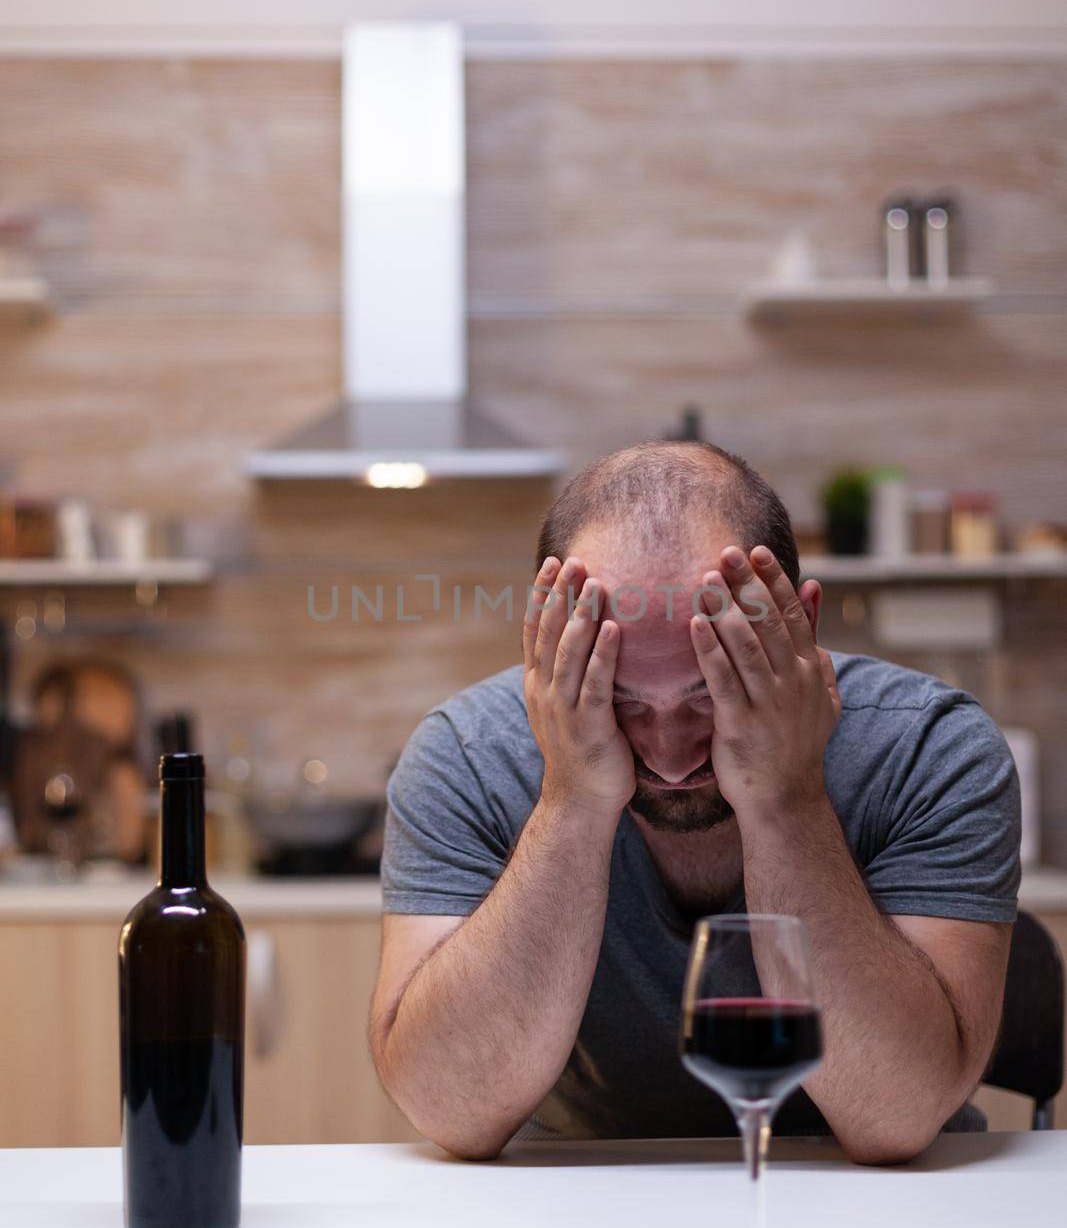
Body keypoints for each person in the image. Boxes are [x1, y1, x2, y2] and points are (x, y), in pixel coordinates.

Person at [370, 442, 1019, 1163]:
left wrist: (785, 796)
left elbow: (896, 1116)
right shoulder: (467, 753)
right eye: (619, 703)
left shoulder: (930, 747)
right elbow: (447, 1109)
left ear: (796, 628)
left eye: (710, 696)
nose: (671, 757)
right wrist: (571, 798)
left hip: (877, 1201)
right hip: (572, 1196)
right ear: (547, 648)